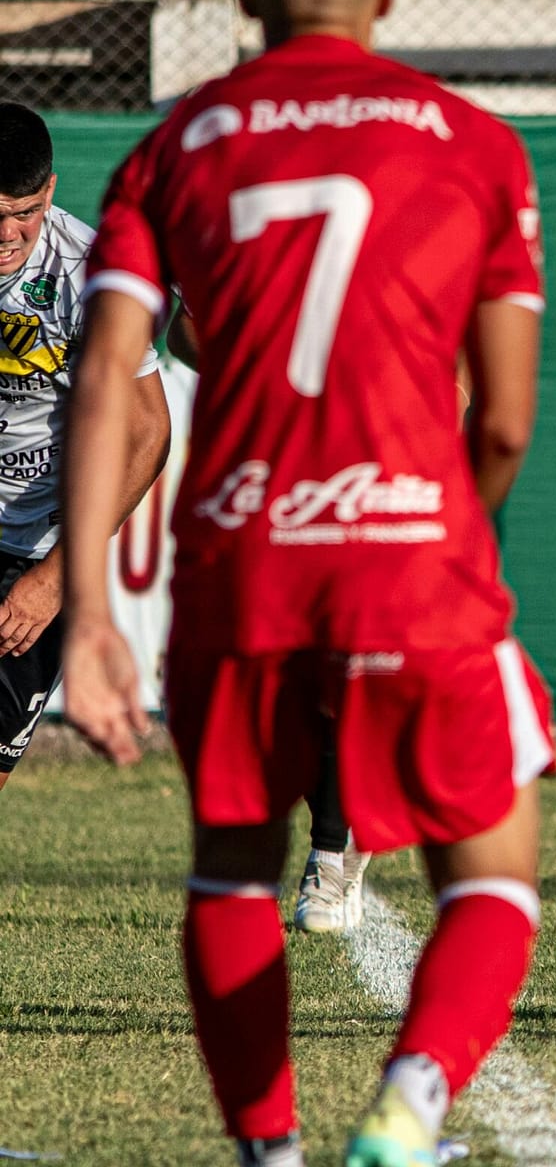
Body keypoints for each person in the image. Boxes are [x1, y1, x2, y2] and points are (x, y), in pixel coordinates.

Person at [61, 0, 553, 1165]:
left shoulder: (174, 149)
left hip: (240, 558)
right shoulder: (474, 143)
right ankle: (412, 1104)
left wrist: (94, 612)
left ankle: (268, 1151)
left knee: (232, 861)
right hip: (410, 548)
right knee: (492, 864)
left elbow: (107, 375)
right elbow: (501, 420)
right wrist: (444, 524)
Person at [167, 312, 370, 933]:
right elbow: (183, 329)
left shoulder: (420, 230)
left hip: (379, 462)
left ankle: (331, 848)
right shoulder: (252, 222)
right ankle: (339, 831)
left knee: (344, 665)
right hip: (267, 465)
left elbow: (466, 370)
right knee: (276, 671)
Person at [0, 101, 171, 791]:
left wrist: (57, 575)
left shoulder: (91, 274)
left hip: (35, 544)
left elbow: (146, 431)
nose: (7, 235)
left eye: (24, 212)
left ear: (51, 190)